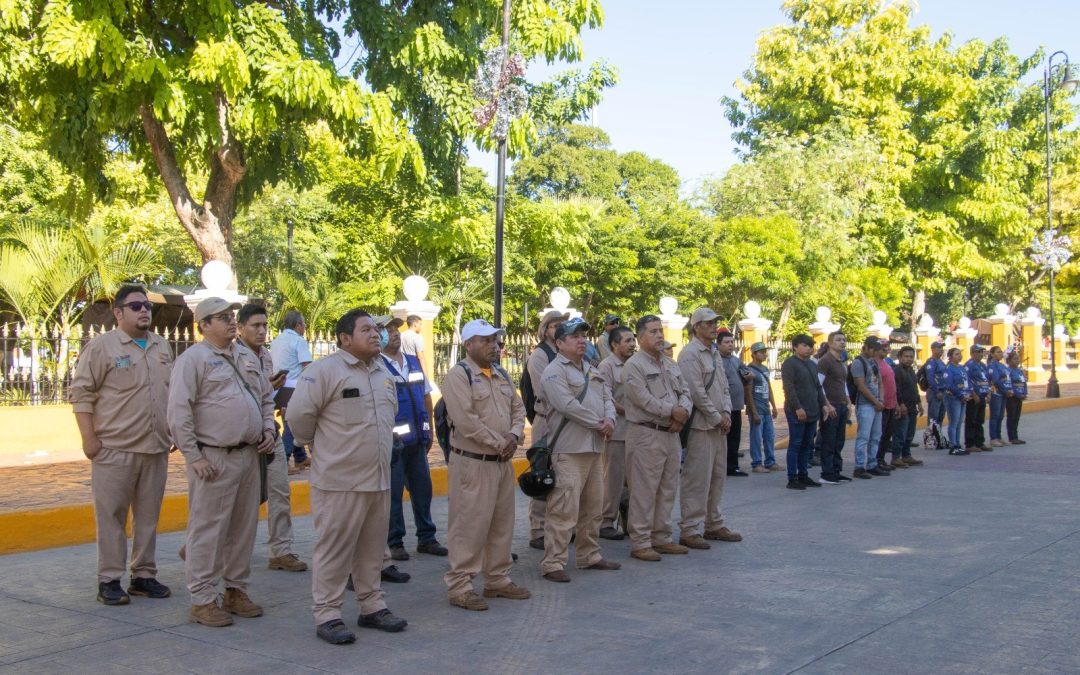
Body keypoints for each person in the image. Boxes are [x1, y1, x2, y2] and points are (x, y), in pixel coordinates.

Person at [286, 309, 408, 645]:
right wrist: (321, 446)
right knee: (334, 550)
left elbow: (390, 415)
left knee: (371, 550)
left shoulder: (382, 370)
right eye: (366, 329)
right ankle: (327, 613)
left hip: (378, 478)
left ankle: (372, 606)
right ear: (344, 338)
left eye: (376, 330)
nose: (375, 335)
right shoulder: (326, 371)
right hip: (340, 481)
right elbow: (298, 417)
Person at [168, 297, 276, 628]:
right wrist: (194, 456)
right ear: (203, 325)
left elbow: (264, 396)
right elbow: (178, 412)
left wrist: (269, 428)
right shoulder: (193, 360)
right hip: (214, 457)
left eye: (231, 316)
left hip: (249, 455)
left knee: (243, 529)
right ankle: (202, 599)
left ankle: (235, 590)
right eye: (222, 317)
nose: (231, 321)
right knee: (208, 530)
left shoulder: (245, 355)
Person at [69, 284, 173, 606]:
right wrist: (89, 440)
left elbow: (172, 394)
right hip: (115, 449)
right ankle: (110, 579)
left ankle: (144, 575)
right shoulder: (102, 348)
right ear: (118, 312)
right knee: (112, 516)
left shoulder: (162, 347)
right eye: (135, 306)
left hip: (155, 448)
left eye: (147, 306)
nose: (144, 311)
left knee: (148, 516)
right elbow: (82, 394)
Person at [441, 319, 530, 611]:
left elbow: (518, 409)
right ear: (469, 345)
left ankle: (497, 579)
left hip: (501, 462)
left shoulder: (502, 374)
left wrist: (515, 435)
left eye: (495, 340)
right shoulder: (459, 376)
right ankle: (460, 586)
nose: (494, 345)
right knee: (469, 525)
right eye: (486, 340)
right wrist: (499, 442)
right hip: (473, 463)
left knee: (502, 523)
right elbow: (466, 421)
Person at [539, 317, 620, 582]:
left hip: (595, 448)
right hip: (569, 450)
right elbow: (567, 406)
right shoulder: (553, 371)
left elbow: (608, 397)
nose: (582, 340)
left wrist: (610, 420)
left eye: (583, 336)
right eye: (574, 336)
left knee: (593, 507)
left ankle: (589, 555)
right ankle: (553, 562)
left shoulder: (591, 369)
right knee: (563, 509)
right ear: (559, 343)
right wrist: (600, 424)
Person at [236, 303, 308, 572]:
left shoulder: (266, 355)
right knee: (236, 500)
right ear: (241, 328)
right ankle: (208, 546)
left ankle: (281, 550)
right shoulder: (230, 356)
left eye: (265, 325)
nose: (262, 331)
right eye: (255, 325)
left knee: (279, 492)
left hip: (269, 433)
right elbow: (238, 396)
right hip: (240, 437)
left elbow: (265, 399)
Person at [375, 316, 447, 561]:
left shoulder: (413, 362)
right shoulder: (376, 366)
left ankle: (427, 537)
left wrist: (430, 431)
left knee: (422, 489)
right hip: (393, 444)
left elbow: (426, 397)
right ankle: (394, 542)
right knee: (393, 494)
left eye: (396, 329)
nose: (394, 334)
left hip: (417, 439)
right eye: (388, 330)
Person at [623, 315, 692, 562]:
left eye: (660, 330)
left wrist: (681, 414)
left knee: (667, 487)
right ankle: (640, 541)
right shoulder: (634, 365)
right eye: (653, 331)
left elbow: (686, 392)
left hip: (671, 434)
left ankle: (661, 537)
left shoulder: (671, 364)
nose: (660, 335)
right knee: (644, 489)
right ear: (640, 337)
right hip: (646, 433)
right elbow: (641, 398)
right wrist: (671, 412)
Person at [677, 308, 742, 548]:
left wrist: (726, 412)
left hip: (718, 426)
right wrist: (717, 417)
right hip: (701, 426)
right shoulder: (689, 354)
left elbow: (723, 386)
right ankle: (690, 528)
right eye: (709, 323)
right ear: (697, 327)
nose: (715, 326)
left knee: (717, 477)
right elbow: (695, 392)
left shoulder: (714, 353)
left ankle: (714, 523)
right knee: (697, 479)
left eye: (716, 322)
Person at [526, 310, 569, 550]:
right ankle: (538, 529)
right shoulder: (540, 356)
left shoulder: (564, 352)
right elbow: (544, 390)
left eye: (562, 324)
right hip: (547, 419)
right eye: (554, 325)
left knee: (561, 475)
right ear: (545, 329)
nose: (558, 328)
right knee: (543, 472)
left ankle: (557, 527)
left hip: (565, 420)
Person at [596, 326, 636, 540]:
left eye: (633, 340)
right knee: (614, 477)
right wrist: (631, 411)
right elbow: (606, 398)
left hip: (635, 430)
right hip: (617, 431)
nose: (632, 344)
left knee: (633, 479)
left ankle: (630, 522)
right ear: (614, 344)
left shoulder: (634, 365)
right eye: (627, 340)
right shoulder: (607, 366)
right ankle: (605, 521)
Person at [781, 334, 834, 489]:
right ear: (795, 347)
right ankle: (792, 478)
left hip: (812, 410)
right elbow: (789, 388)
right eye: (804, 345)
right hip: (796, 411)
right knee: (796, 444)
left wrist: (823, 404)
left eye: (810, 346)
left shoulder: (812, 364)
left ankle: (803, 475)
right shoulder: (790, 364)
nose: (808, 349)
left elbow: (818, 387)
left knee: (807, 445)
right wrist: (797, 407)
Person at [270, 310, 312, 471]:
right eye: (304, 324)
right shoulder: (298, 341)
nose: (305, 327)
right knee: (292, 425)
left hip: (278, 388)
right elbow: (307, 366)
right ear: (298, 325)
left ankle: (300, 457)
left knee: (291, 421)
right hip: (294, 389)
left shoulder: (276, 341)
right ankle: (284, 460)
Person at [816, 331, 851, 483]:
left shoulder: (841, 362)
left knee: (839, 441)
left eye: (843, 340)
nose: (842, 342)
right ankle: (827, 473)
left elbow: (843, 384)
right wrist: (827, 404)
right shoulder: (825, 361)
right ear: (830, 343)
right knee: (829, 440)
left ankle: (837, 470)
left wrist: (848, 401)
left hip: (842, 405)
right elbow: (819, 384)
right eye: (838, 340)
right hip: (831, 406)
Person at [717, 329, 752, 477]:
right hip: (723, 406)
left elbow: (747, 372)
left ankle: (733, 467)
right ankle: (721, 467)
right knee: (723, 438)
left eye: (731, 342)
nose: (730, 345)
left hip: (736, 405)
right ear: (718, 344)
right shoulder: (715, 360)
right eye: (726, 342)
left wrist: (749, 374)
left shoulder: (736, 360)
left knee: (735, 437)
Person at [851, 337, 886, 478]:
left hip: (876, 404)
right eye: (872, 349)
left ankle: (872, 464)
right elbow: (861, 386)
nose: (874, 352)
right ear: (865, 347)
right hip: (866, 404)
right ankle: (859, 466)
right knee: (863, 437)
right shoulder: (858, 363)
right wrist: (875, 401)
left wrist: (881, 400)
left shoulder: (873, 362)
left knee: (876, 436)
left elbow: (880, 383)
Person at [747, 342, 781, 473]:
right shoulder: (749, 370)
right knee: (756, 437)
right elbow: (748, 392)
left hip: (766, 409)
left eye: (765, 352)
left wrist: (774, 406)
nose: (764, 354)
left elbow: (769, 388)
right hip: (757, 409)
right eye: (761, 352)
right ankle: (756, 463)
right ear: (754, 354)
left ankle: (770, 461)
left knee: (769, 436)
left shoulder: (765, 369)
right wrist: (754, 412)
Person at [891, 346, 924, 467]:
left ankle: (906, 455)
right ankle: (896, 457)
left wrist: (919, 403)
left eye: (911, 357)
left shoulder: (911, 371)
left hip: (912, 407)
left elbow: (915, 389)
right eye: (906, 356)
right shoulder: (896, 371)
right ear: (899, 357)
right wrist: (901, 404)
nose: (909, 359)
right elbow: (896, 389)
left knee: (910, 433)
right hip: (902, 408)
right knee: (900, 433)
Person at [941, 347, 972, 455]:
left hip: (964, 397)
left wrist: (968, 393)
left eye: (960, 354)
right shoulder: (949, 369)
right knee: (953, 422)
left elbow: (967, 381)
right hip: (953, 398)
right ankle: (953, 445)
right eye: (956, 354)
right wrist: (960, 395)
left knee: (959, 422)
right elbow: (949, 385)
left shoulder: (961, 368)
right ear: (950, 357)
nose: (959, 356)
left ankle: (958, 444)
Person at [875, 345, 901, 471]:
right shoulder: (874, 364)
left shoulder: (887, 363)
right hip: (881, 405)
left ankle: (881, 458)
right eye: (883, 349)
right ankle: (875, 460)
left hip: (891, 404)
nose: (886, 351)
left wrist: (895, 403)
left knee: (887, 435)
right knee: (880, 435)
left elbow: (892, 385)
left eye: (887, 349)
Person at [964, 345, 991, 452]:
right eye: (978, 352)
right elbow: (967, 381)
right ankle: (970, 444)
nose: (980, 354)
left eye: (981, 352)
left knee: (980, 420)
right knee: (971, 420)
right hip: (974, 397)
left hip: (983, 396)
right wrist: (974, 394)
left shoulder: (983, 365)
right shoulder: (969, 365)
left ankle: (980, 442)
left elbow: (987, 380)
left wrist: (988, 393)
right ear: (972, 353)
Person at [922, 341, 948, 449]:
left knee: (940, 417)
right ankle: (930, 440)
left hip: (943, 393)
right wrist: (937, 391)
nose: (941, 350)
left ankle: (938, 438)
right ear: (933, 349)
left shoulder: (941, 362)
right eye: (939, 348)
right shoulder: (931, 362)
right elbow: (930, 378)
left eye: (942, 348)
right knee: (933, 418)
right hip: (935, 392)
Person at [986, 346, 1013, 448]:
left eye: (1001, 352)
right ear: (992, 354)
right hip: (996, 393)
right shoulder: (992, 366)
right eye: (998, 352)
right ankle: (993, 438)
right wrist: (1006, 390)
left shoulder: (1001, 365)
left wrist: (1009, 390)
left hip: (1004, 393)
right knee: (995, 415)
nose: (1001, 353)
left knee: (1001, 416)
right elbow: (996, 380)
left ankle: (998, 436)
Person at [1005, 350, 1027, 444]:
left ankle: (1016, 436)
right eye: (1015, 359)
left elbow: (1024, 383)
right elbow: (1009, 384)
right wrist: (1016, 394)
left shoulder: (1020, 371)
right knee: (1012, 416)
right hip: (1012, 397)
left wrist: (1025, 393)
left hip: (1020, 397)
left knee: (1017, 417)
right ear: (1009, 361)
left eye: (1018, 358)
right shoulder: (1008, 371)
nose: (1017, 360)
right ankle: (1012, 437)